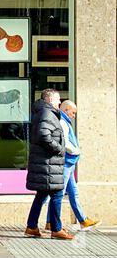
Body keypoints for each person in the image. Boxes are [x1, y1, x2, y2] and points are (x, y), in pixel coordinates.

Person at [24, 88, 74, 240]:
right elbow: (44, 136)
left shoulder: (45, 113)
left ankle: (32, 226)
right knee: (57, 194)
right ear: (50, 100)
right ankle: (56, 229)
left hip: (48, 164)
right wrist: (59, 149)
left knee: (42, 195)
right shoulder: (47, 113)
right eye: (58, 99)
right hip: (48, 163)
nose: (60, 102)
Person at [45, 100, 101, 231]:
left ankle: (82, 220)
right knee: (58, 194)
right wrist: (76, 151)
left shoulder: (65, 122)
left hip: (69, 163)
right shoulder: (63, 123)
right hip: (66, 163)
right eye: (73, 112)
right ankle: (51, 222)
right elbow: (64, 142)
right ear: (66, 110)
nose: (74, 115)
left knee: (73, 192)